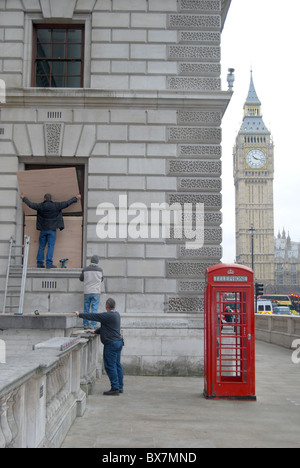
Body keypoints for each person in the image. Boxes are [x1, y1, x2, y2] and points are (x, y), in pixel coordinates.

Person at [73, 298, 124, 396]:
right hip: (118, 342)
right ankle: (120, 387)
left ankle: (115, 388)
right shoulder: (116, 314)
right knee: (117, 365)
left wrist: (79, 314)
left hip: (111, 344)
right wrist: (95, 331)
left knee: (110, 366)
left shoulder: (107, 315)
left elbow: (94, 316)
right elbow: (107, 328)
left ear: (106, 306)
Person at [20, 192, 81, 268]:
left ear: (44, 198)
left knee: (41, 246)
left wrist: (23, 198)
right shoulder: (56, 205)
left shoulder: (40, 206)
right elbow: (66, 203)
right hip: (52, 230)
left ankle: (39, 263)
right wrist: (75, 198)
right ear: (51, 199)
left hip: (43, 229)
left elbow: (31, 204)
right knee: (50, 246)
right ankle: (49, 264)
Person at [79, 255, 103, 329]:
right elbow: (102, 279)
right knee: (94, 309)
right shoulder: (100, 270)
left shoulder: (85, 269)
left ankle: (85, 325)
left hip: (87, 291)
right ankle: (93, 325)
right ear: (97, 261)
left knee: (86, 309)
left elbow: (81, 278)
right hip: (96, 291)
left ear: (91, 261)